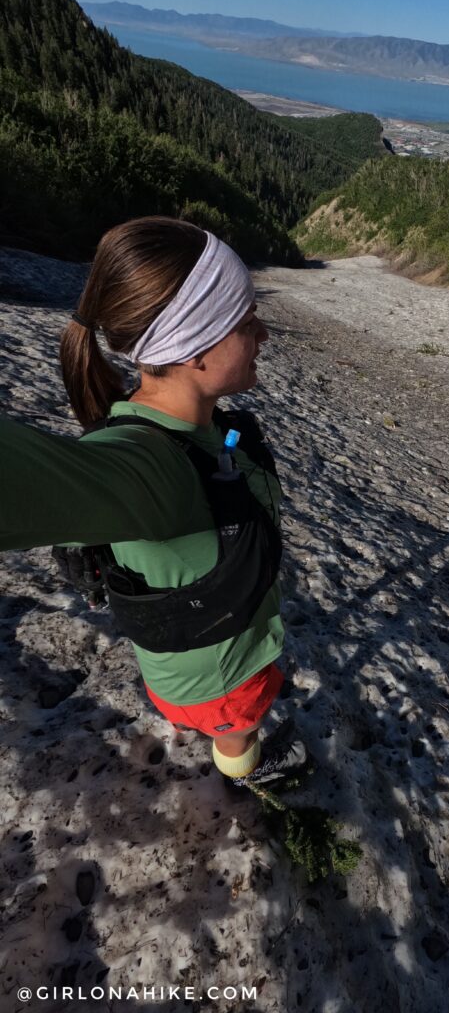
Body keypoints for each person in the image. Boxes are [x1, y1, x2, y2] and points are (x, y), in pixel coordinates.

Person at [0, 216, 306, 786]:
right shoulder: (152, 470)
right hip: (222, 684)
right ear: (192, 348)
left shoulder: (166, 426)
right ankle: (246, 769)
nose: (263, 334)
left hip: (180, 668)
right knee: (240, 728)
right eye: (245, 320)